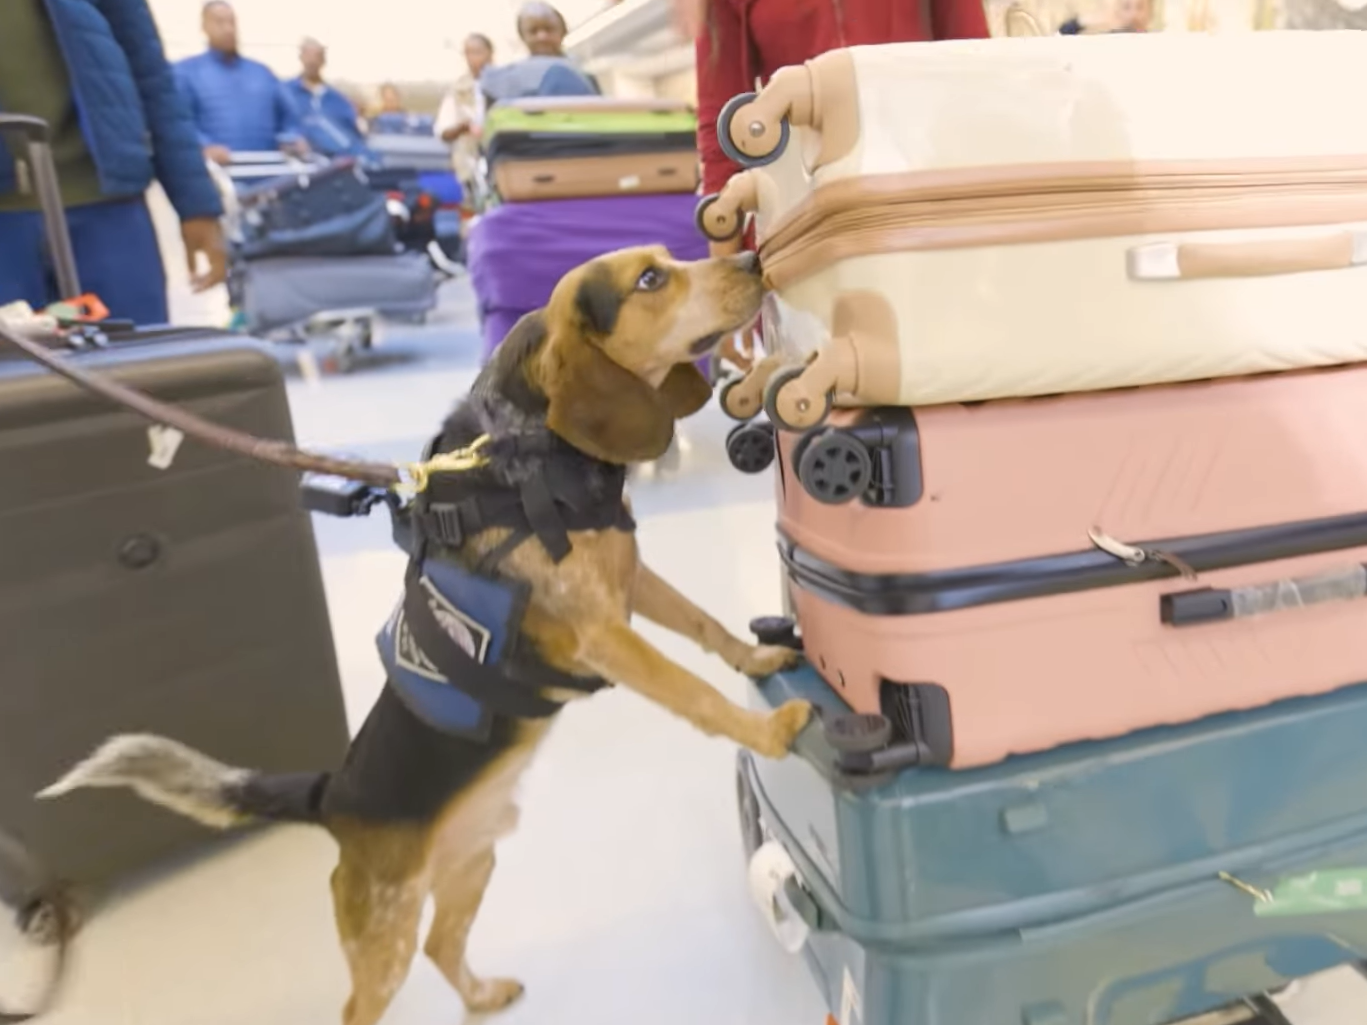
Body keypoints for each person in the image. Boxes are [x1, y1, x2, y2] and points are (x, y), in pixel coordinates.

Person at [687, 0, 992, 369]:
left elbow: (976, 67)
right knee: (827, 397)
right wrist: (726, 287)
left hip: (921, 203)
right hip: (806, 224)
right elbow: (723, 121)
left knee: (944, 380)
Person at [0, 0, 226, 325]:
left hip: (108, 208)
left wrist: (195, 203)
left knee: (131, 367)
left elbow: (150, 72)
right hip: (7, 227)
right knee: (18, 371)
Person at [175, 1, 305, 163]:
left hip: (269, 175)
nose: (228, 29)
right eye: (219, 22)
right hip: (215, 178)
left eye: (232, 22)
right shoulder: (186, 73)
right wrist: (204, 146)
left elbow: (289, 119)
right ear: (204, 27)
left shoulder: (262, 74)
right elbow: (178, 122)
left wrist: (292, 139)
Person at [284, 37, 368, 158]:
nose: (312, 61)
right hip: (294, 168)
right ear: (301, 58)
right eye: (308, 55)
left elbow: (353, 139)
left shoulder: (339, 101)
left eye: (316, 56)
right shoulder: (285, 93)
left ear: (323, 60)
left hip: (333, 171)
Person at [434, 33, 495, 199]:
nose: (472, 58)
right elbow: (444, 132)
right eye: (468, 53)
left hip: (502, 160)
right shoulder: (457, 90)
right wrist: (464, 127)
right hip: (471, 165)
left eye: (477, 52)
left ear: (490, 53)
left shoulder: (506, 84)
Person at [1059, 0, 1152, 33]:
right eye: (1126, 7)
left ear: (1150, 11)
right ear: (1118, 11)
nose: (1133, 14)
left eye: (1140, 7)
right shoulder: (1106, 42)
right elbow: (1061, 34)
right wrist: (1083, 21)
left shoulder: (1157, 42)